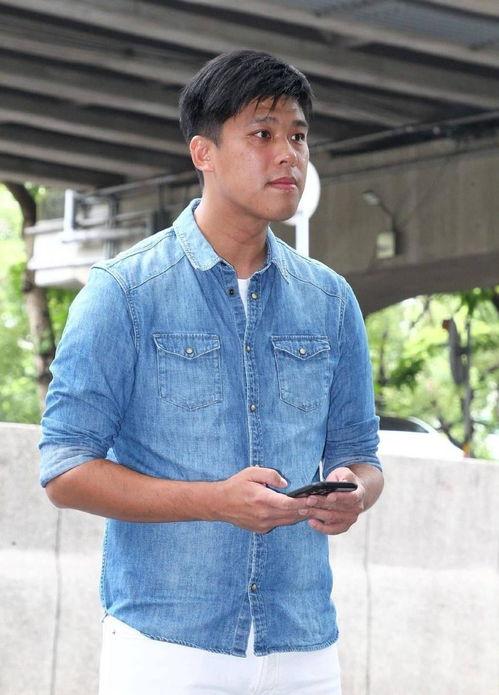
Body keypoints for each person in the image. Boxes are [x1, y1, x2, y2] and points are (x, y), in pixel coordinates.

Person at [39, 49, 383, 695]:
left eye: (298, 136)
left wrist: (354, 491)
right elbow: (64, 469)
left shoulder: (331, 299)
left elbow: (361, 454)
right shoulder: (126, 291)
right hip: (168, 647)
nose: (288, 155)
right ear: (204, 153)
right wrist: (214, 501)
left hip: (303, 645)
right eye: (262, 134)